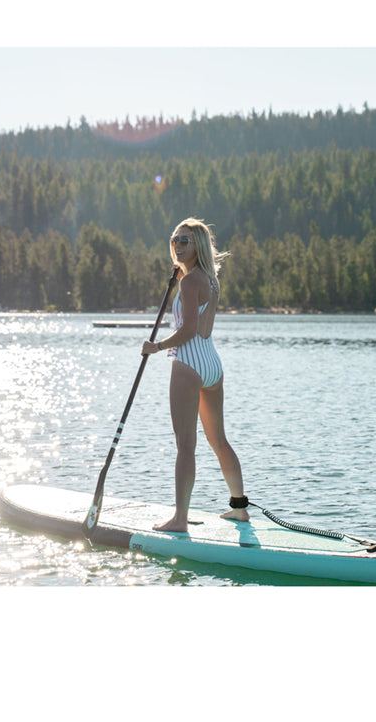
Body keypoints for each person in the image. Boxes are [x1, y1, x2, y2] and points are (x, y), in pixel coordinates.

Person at [142, 217, 249, 532]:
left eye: (185, 240)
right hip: (212, 366)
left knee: (185, 445)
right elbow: (201, 324)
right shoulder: (210, 279)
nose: (177, 244)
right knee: (218, 440)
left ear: (198, 245)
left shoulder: (189, 282)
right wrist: (181, 277)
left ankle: (179, 520)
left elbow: (188, 330)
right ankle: (239, 507)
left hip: (188, 365)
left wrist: (157, 347)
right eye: (175, 239)